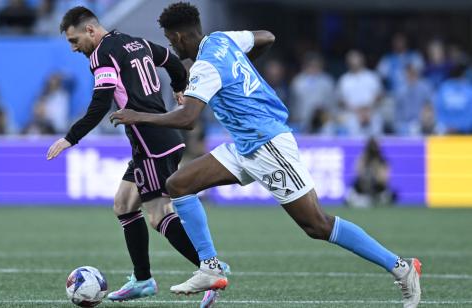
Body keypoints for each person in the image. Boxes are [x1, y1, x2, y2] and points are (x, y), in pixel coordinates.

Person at [110, 2, 422, 307]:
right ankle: (210, 267)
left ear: (178, 37)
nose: (172, 47)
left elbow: (188, 119)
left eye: (170, 40)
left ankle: (400, 267)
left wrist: (139, 116)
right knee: (178, 184)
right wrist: (243, 70)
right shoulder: (223, 39)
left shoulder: (205, 66)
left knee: (317, 225)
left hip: (267, 144)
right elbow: (266, 37)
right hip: (245, 144)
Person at [45, 7, 226, 306]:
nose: (74, 48)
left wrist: (69, 138)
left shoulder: (101, 55)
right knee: (124, 205)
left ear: (90, 30)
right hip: (155, 140)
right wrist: (180, 88)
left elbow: (100, 103)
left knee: (158, 215)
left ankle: (211, 269)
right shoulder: (136, 42)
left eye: (75, 40)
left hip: (152, 141)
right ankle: (142, 280)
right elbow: (174, 62)